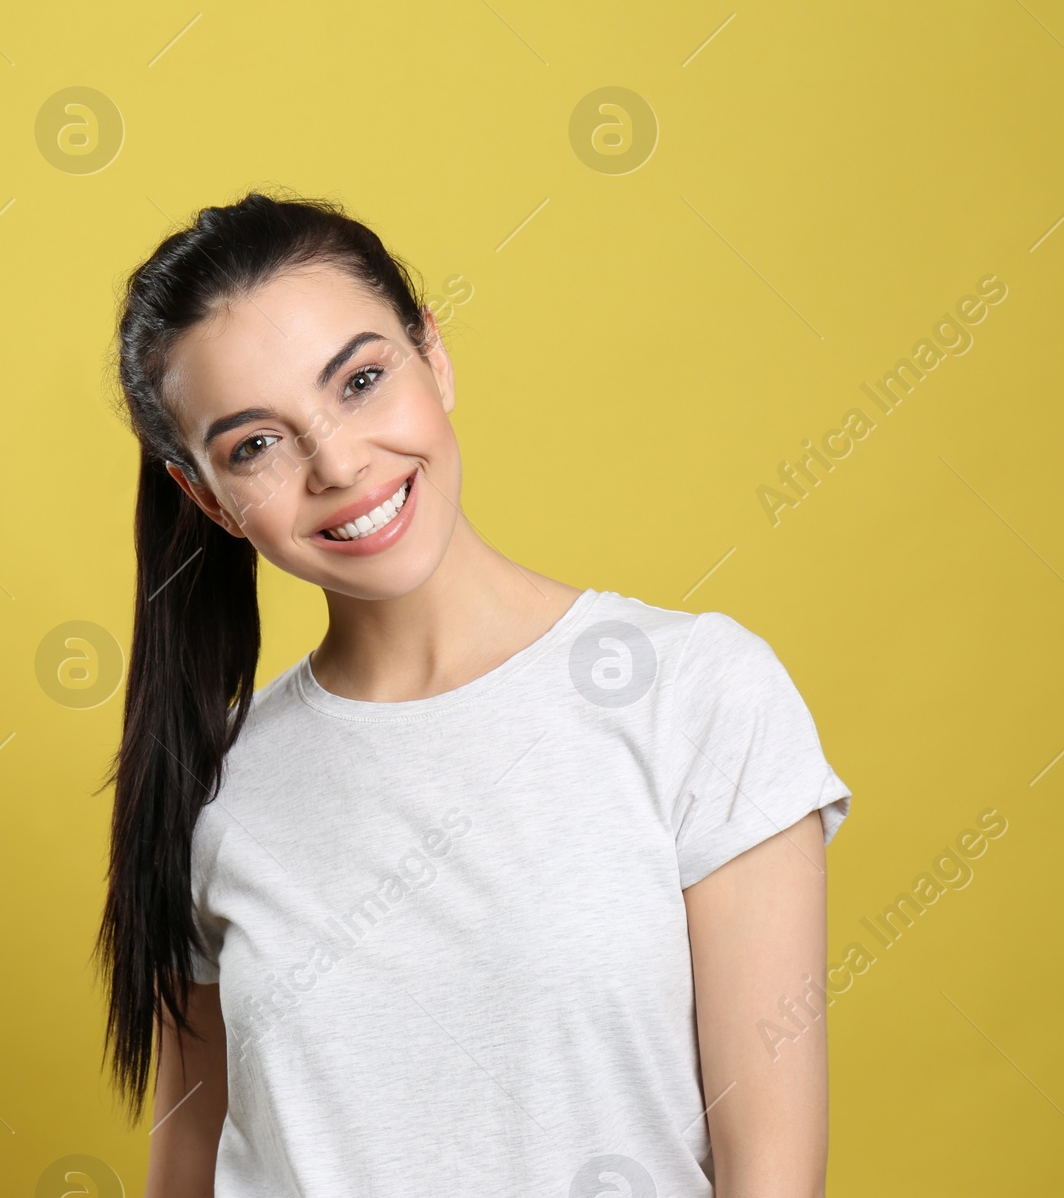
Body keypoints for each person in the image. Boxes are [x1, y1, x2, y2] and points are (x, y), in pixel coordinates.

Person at [96, 190, 851, 1196]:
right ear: (206, 496)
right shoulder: (216, 783)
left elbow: (772, 1174)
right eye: (255, 445)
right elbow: (187, 1168)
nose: (340, 463)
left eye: (361, 380)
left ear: (433, 357)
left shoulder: (698, 695)